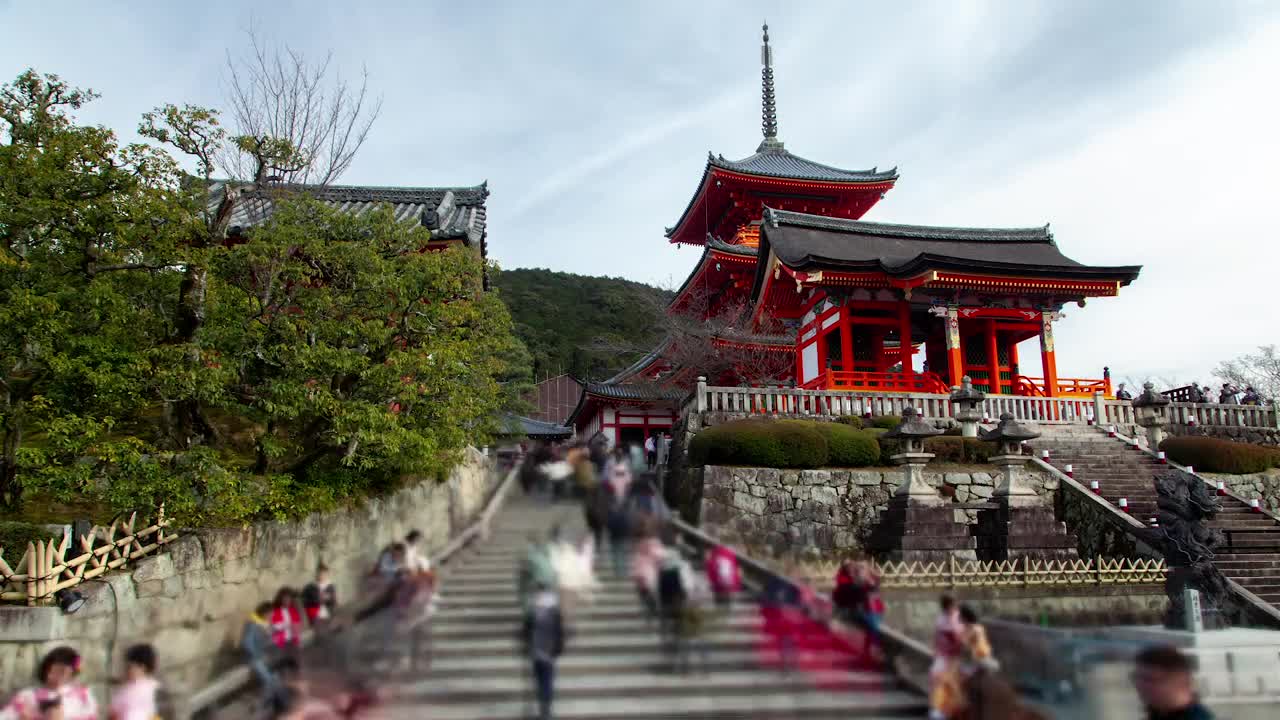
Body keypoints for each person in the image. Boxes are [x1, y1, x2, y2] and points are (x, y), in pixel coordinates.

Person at [1, 646, 97, 720]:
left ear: (72, 673)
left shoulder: (82, 695)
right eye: (52, 671)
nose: (55, 676)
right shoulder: (27, 696)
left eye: (62, 671)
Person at [522, 582, 567, 720]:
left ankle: (544, 708)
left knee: (542, 680)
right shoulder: (553, 610)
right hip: (546, 652)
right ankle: (545, 708)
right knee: (546, 681)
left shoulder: (533, 610)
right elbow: (560, 632)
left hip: (539, 652)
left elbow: (526, 631)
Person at [1132, 645, 1213, 720]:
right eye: (1136, 677)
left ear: (1180, 682)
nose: (1139, 685)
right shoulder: (1160, 711)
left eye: (1149, 679)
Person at [241, 602, 287, 712]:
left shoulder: (265, 624)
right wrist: (256, 654)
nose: (271, 617)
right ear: (264, 613)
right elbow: (246, 643)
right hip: (255, 659)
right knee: (268, 680)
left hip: (265, 657)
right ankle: (258, 705)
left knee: (277, 679)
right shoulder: (252, 624)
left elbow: (269, 637)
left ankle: (280, 706)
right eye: (270, 614)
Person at [928, 595, 965, 720]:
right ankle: (938, 710)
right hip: (943, 656)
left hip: (955, 656)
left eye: (955, 606)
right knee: (939, 681)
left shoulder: (958, 617)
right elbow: (939, 637)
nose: (954, 608)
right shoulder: (941, 620)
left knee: (955, 685)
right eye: (952, 606)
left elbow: (961, 636)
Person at [110, 644, 159, 720]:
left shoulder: (154, 691)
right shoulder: (125, 690)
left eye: (130, 667)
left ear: (142, 667)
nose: (126, 670)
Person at [704, 543, 741, 613]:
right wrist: (737, 584)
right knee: (726, 596)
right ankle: (726, 609)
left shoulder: (715, 555)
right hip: (730, 584)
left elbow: (711, 569)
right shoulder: (730, 554)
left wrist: (707, 561)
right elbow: (735, 569)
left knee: (719, 597)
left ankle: (720, 610)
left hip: (718, 584)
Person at [958, 605, 996, 671]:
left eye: (960, 614)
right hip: (973, 661)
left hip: (978, 662)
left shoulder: (975, 629)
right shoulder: (968, 628)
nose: (958, 616)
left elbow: (970, 648)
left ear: (965, 617)